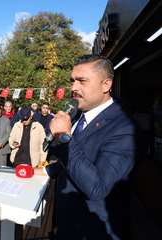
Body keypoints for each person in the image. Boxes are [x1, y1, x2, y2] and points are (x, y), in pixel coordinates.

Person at [47, 55, 136, 240]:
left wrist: (65, 138)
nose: (73, 88)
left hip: (92, 231)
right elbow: (77, 156)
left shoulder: (125, 127)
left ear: (106, 85)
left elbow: (98, 188)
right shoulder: (79, 114)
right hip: (66, 224)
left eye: (82, 81)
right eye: (72, 81)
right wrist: (48, 170)